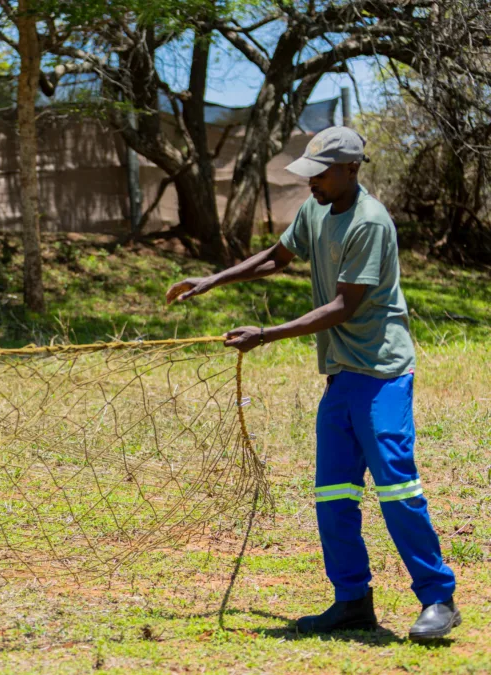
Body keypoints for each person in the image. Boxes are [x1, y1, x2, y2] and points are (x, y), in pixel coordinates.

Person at [166, 127, 459, 642]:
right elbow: (277, 257)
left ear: (350, 169)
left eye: (320, 175)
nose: (311, 185)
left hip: (382, 374)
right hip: (342, 376)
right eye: (309, 175)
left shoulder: (369, 223)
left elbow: (345, 306)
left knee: (396, 488)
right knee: (334, 493)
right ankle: (352, 603)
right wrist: (213, 280)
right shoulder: (316, 209)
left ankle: (438, 598)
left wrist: (268, 334)